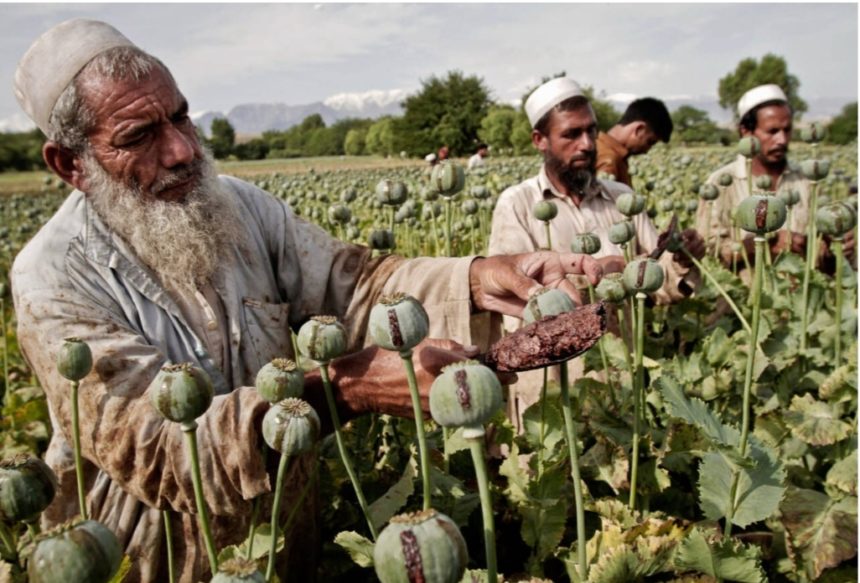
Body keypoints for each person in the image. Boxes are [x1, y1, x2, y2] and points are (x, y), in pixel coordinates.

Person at [10, 20, 604, 582]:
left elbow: (357, 285)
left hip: (285, 534)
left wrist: (478, 277)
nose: (182, 151)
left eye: (182, 118)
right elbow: (159, 449)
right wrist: (344, 390)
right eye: (139, 136)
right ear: (71, 165)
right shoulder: (52, 277)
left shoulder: (238, 206)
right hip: (151, 555)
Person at [488, 77, 704, 428]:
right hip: (552, 395)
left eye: (591, 131)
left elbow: (657, 284)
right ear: (540, 141)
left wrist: (680, 259)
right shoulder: (517, 204)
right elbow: (511, 298)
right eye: (571, 134)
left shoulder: (622, 199)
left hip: (618, 384)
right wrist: (594, 273)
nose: (587, 144)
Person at [695, 84, 813, 266]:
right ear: (746, 132)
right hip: (742, 293)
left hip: (799, 292)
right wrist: (766, 243)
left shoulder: (806, 180)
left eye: (787, 130)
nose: (781, 140)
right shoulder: (720, 184)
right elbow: (707, 254)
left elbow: (819, 242)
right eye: (772, 131)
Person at [596, 97, 673, 186]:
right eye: (650, 142)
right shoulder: (608, 161)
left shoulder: (598, 147)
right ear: (639, 129)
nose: (646, 151)